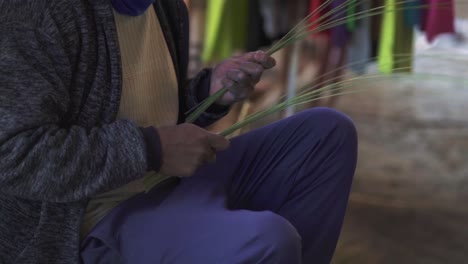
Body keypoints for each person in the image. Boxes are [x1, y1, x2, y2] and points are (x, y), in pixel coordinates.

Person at [0, 0, 358, 263]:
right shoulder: (37, 13)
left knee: (326, 134)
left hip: (169, 182)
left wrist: (210, 92)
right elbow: (13, 156)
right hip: (93, 219)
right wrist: (152, 150)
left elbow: (149, 110)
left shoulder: (164, 7)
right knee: (266, 240)